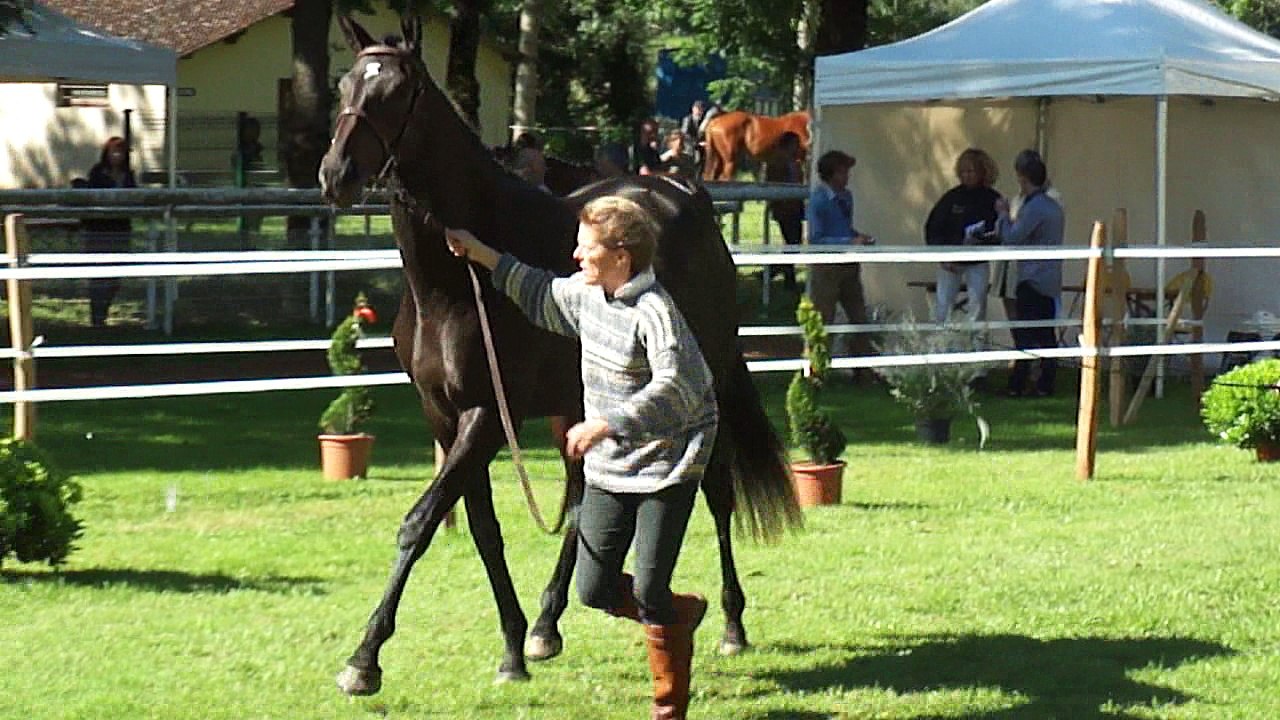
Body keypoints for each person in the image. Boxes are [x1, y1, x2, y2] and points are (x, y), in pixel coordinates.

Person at [443, 195, 716, 720]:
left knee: (651, 588)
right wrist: (481, 254)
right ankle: (681, 614)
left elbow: (678, 386)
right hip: (611, 466)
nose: (575, 256)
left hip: (670, 461)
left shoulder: (655, 311)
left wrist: (609, 422)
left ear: (621, 255)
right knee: (591, 590)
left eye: (586, 248)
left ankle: (669, 708)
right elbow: (539, 289)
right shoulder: (588, 295)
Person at [996, 149, 1065, 397]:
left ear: (1025, 179)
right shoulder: (1054, 206)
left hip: (1032, 277)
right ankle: (1045, 383)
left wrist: (1003, 215)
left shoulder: (1034, 207)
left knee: (1025, 334)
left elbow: (1012, 239)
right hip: (1050, 277)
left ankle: (1018, 384)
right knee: (1046, 335)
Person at [806, 149, 874, 358]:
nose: (847, 177)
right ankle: (817, 368)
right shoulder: (818, 201)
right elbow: (816, 239)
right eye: (842, 172)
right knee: (823, 317)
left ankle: (863, 368)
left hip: (848, 263)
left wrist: (858, 237)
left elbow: (843, 227)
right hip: (827, 266)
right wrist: (849, 241)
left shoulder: (846, 197)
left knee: (859, 316)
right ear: (831, 175)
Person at [924, 148, 1002, 324]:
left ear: (983, 172)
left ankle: (976, 346)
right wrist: (942, 256)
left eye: (971, 171)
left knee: (977, 307)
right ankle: (942, 344)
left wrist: (984, 240)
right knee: (943, 306)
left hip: (978, 261)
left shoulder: (992, 198)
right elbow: (933, 227)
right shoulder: (952, 198)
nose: (967, 176)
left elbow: (999, 231)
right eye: (963, 172)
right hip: (951, 261)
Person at [83, 136, 137, 327]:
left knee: (115, 276)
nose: (117, 156)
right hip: (99, 230)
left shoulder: (128, 175)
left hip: (120, 229)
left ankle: (103, 311)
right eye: (114, 151)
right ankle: (97, 317)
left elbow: (134, 197)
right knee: (98, 275)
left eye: (121, 152)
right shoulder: (97, 173)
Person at [764, 131, 805, 291]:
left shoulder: (795, 162)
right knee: (791, 243)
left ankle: (775, 271)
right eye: (796, 144)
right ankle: (786, 277)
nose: (798, 147)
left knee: (794, 242)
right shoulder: (776, 162)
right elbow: (772, 184)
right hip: (785, 210)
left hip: (795, 208)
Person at [679, 100, 706, 166]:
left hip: (698, 147)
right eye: (698, 109)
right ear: (693, 109)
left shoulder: (703, 121)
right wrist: (698, 143)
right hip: (688, 147)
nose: (700, 112)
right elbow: (684, 135)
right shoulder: (687, 120)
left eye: (701, 110)